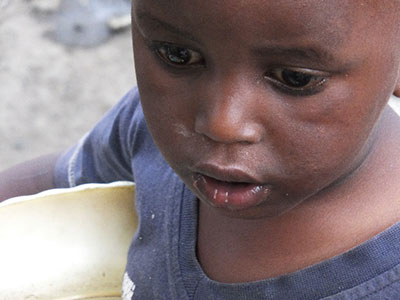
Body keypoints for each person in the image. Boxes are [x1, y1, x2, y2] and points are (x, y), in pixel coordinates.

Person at [2, 0, 400, 299]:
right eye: (179, 55)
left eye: (294, 78)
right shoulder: (146, 129)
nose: (221, 124)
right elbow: (55, 183)